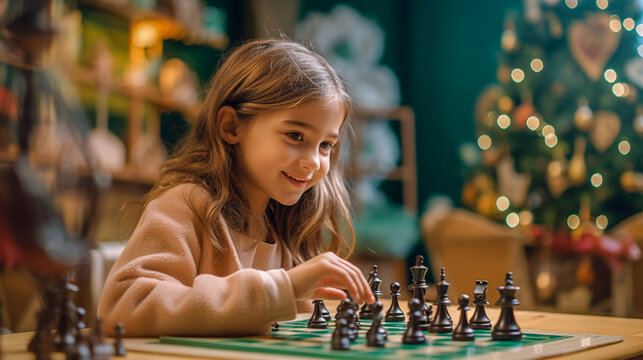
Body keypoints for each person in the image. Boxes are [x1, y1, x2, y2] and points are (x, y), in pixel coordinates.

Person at [97, 39, 374, 336]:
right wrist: (287, 287)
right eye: (295, 135)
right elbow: (122, 307)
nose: (313, 162)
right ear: (231, 127)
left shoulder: (281, 225)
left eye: (325, 145)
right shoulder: (185, 203)